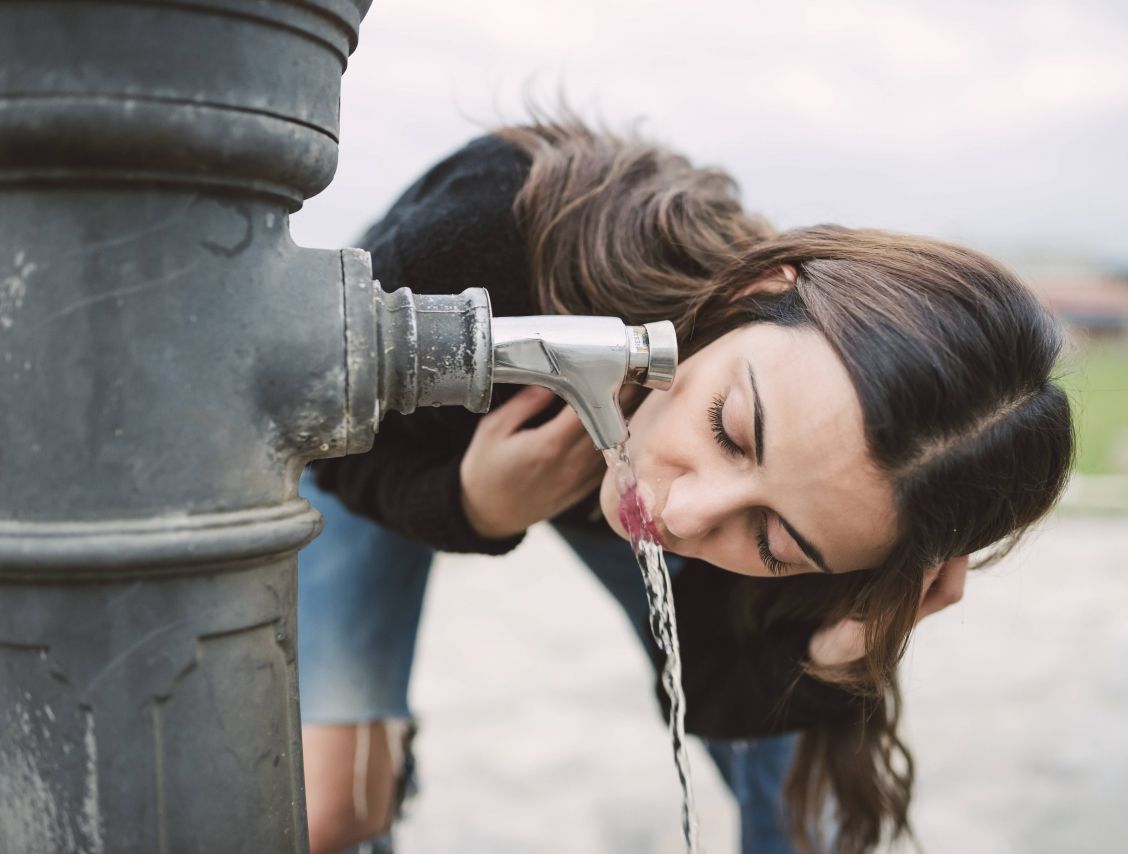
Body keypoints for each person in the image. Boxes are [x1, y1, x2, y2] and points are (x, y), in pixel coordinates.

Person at [297, 115, 1074, 854]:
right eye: (730, 430)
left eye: (772, 542)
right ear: (754, 295)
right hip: (382, 428)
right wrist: (471, 506)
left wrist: (842, 652)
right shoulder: (483, 241)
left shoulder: (817, 493)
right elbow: (308, 437)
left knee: (798, 763)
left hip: (577, 467)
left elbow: (711, 687)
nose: (683, 514)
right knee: (331, 807)